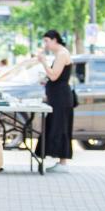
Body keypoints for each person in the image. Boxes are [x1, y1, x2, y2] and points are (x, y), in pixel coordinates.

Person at [35, 30, 74, 169]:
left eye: (46, 41)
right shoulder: (60, 54)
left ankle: (63, 162)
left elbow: (54, 76)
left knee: (61, 127)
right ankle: (60, 160)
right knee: (55, 126)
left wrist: (44, 62)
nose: (45, 44)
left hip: (61, 98)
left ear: (54, 40)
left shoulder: (62, 54)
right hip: (56, 96)